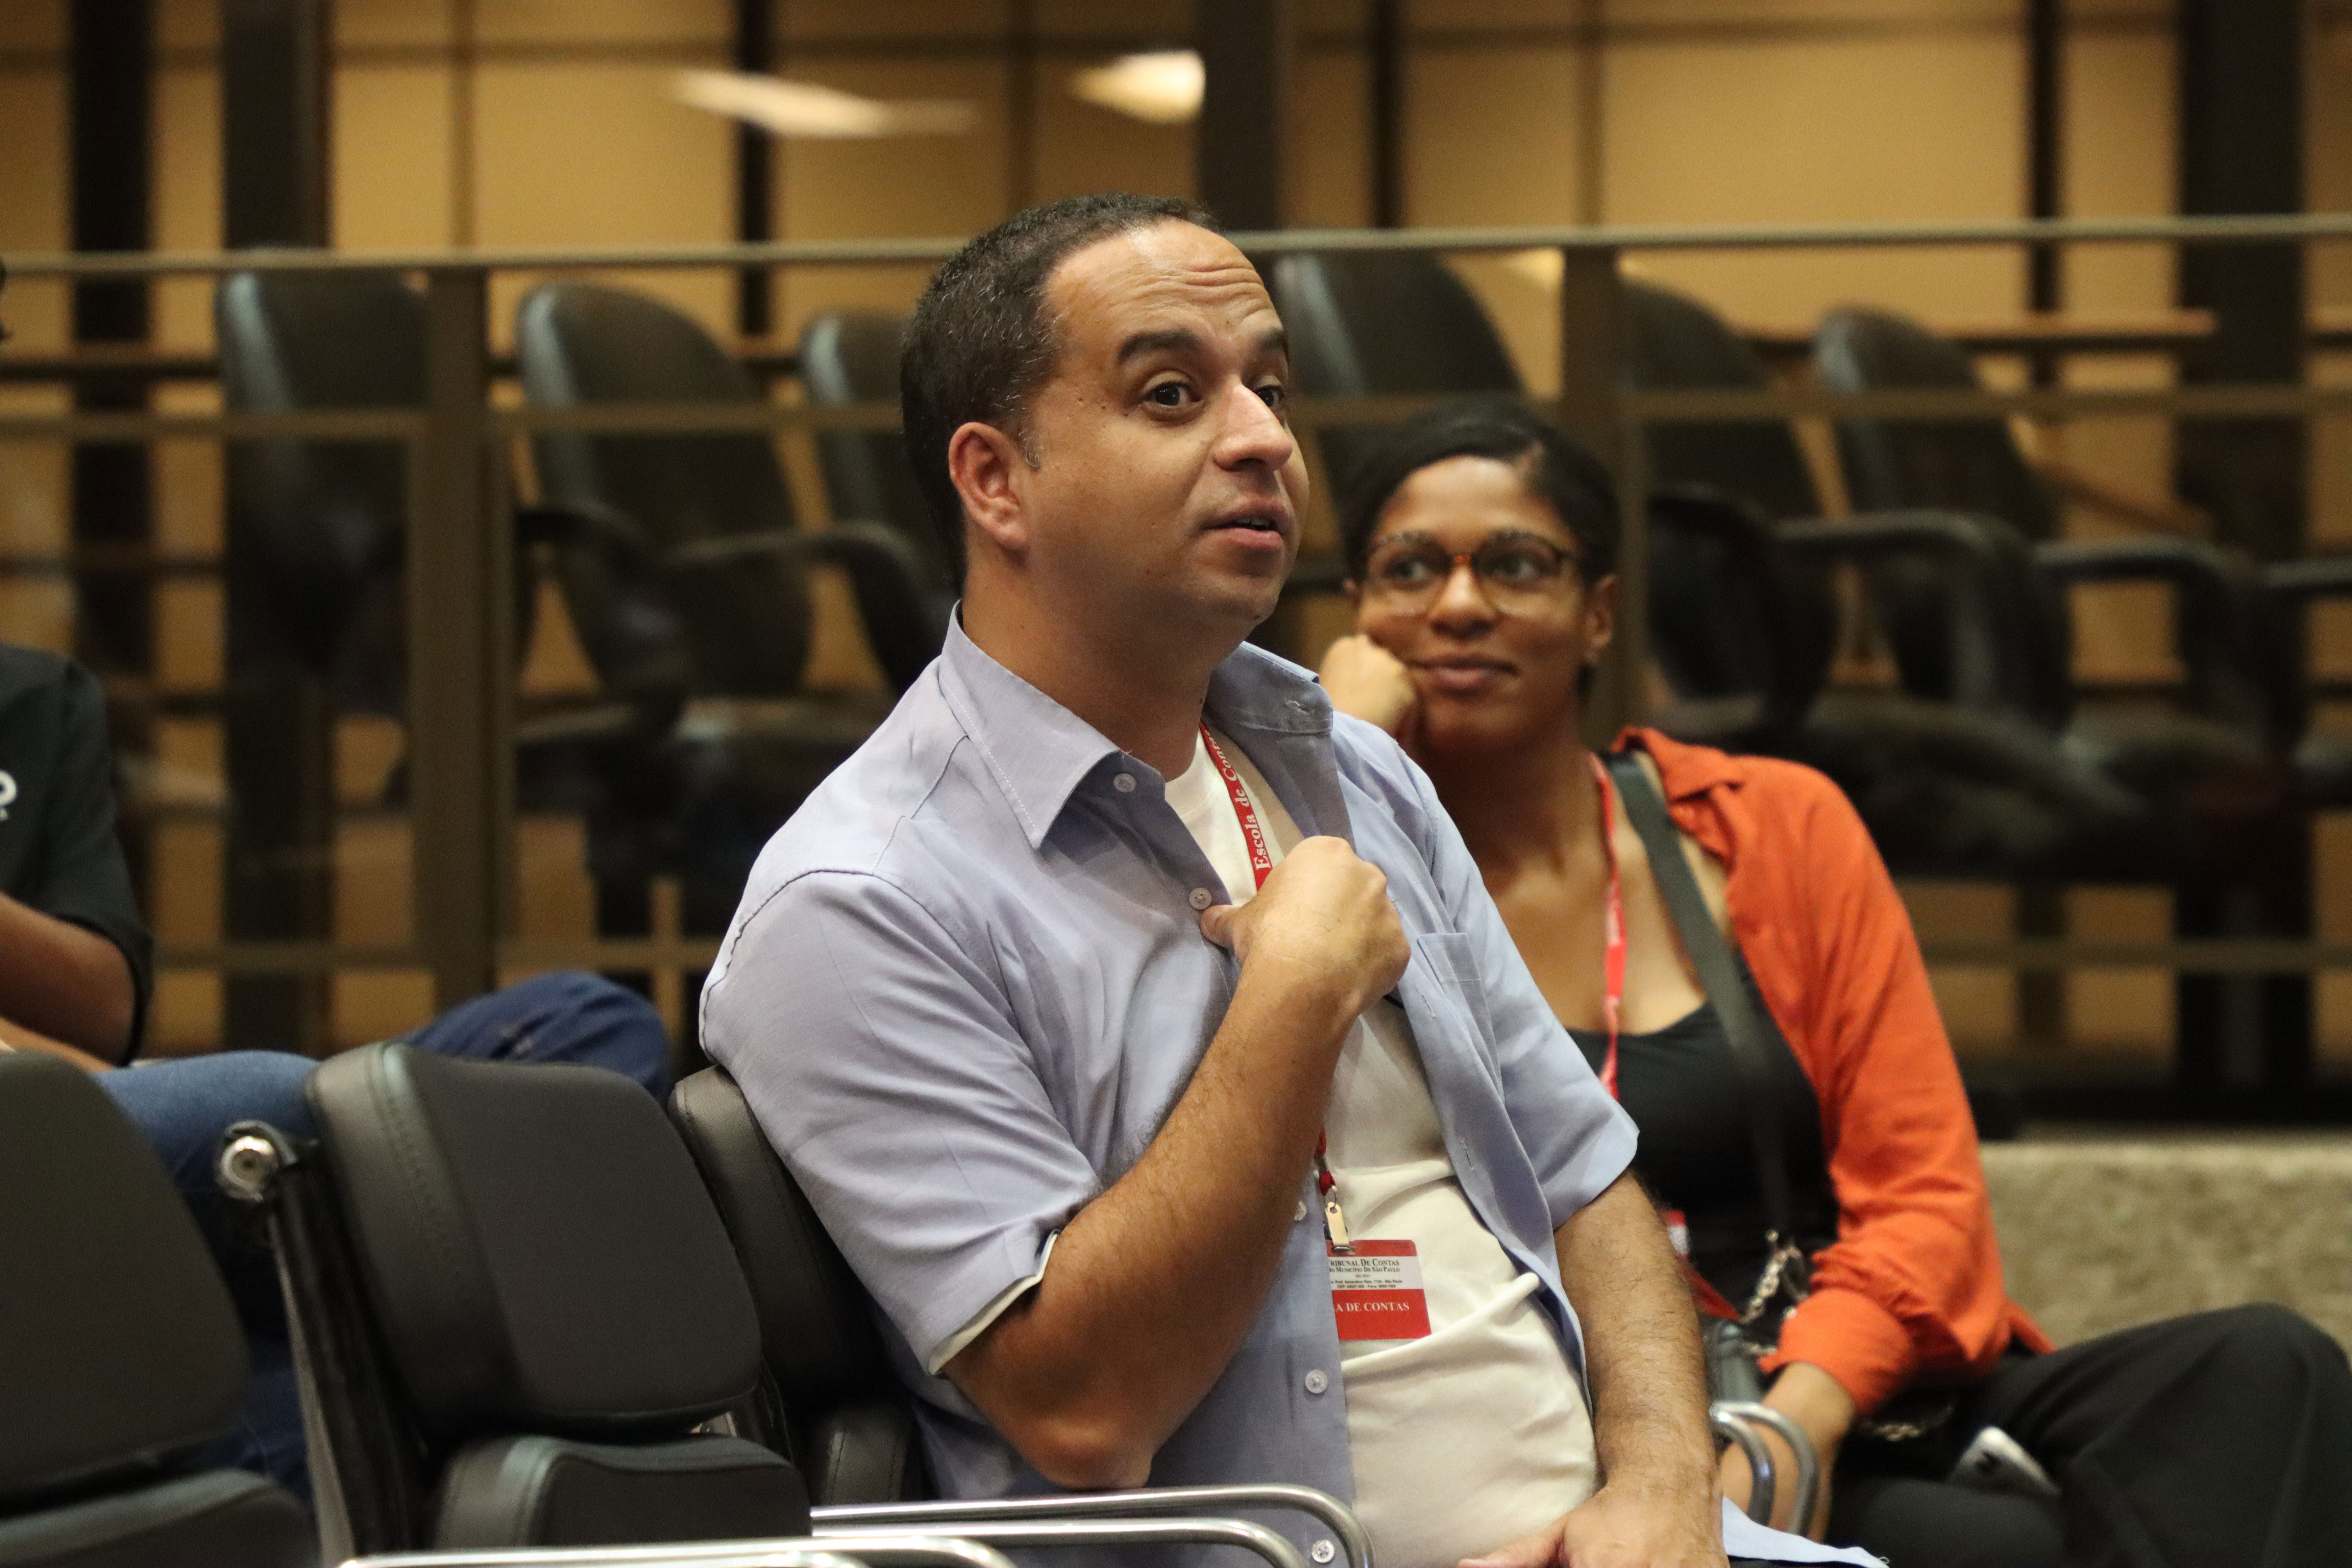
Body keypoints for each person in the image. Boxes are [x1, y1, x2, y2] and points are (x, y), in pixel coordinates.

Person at [702, 195, 1869, 1568]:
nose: (1262, 436)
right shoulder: (860, 902)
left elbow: (1586, 1178)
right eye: (1172, 394)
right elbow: (1085, 1409)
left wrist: (1666, 1488)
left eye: (1270, 386)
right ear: (995, 481)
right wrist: (1295, 997)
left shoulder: (1353, 770)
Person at [1316, 393, 2352, 1567]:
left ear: (1598, 614)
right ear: (1359, 617)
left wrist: (1798, 1416)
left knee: (2268, 1368)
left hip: (1834, 1383)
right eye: (1409, 569)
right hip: (1594, 1425)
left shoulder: (1768, 826)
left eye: (1515, 564)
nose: (1459, 605)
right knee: (2021, 1547)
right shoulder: (1336, 874)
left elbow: (1926, 1199)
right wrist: (1332, 750)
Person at [0, 637, 671, 1494]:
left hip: (72, 1120)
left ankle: (418, 1390)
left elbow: (104, 1009)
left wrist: (92, 1104)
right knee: (277, 1121)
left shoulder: (33, 695)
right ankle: (494, 1383)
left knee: (587, 1029)